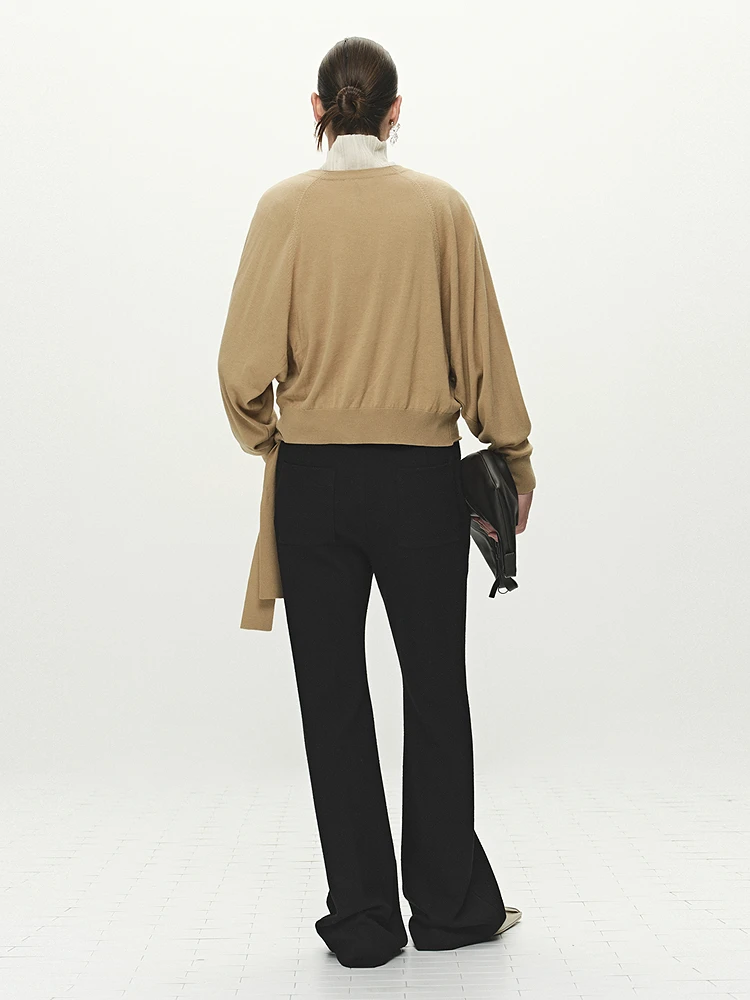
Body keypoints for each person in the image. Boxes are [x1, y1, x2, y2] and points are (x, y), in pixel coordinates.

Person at [217, 36, 535, 970]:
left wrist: (274, 439)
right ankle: (450, 907)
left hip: (313, 482)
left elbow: (240, 371)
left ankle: (362, 922)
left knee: (331, 698)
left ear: (317, 109)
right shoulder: (440, 209)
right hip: (419, 481)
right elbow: (483, 355)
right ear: (396, 112)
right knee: (435, 689)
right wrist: (515, 462)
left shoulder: (282, 210)